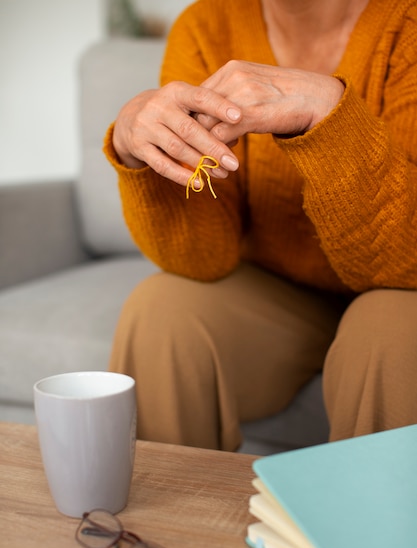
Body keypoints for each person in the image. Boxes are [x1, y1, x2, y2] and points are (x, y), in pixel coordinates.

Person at [103, 0, 417, 451]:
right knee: (159, 309)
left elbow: (405, 262)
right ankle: (170, 519)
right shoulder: (206, 26)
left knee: (390, 335)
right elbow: (200, 259)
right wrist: (138, 148)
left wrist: (328, 111)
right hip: (278, 294)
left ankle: (373, 521)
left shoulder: (406, 24)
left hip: (402, 290)